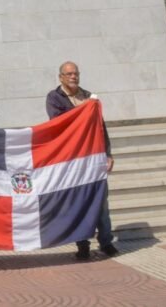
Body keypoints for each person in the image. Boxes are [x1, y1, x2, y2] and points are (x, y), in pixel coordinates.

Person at [45, 60, 118, 260]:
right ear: (61, 77)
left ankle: (106, 241)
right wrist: (83, 109)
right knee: (78, 201)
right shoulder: (54, 97)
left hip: (93, 157)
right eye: (68, 74)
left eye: (75, 73)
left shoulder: (87, 97)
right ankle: (83, 244)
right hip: (72, 159)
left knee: (101, 201)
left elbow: (100, 128)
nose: (73, 76)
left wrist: (108, 154)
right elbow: (58, 123)